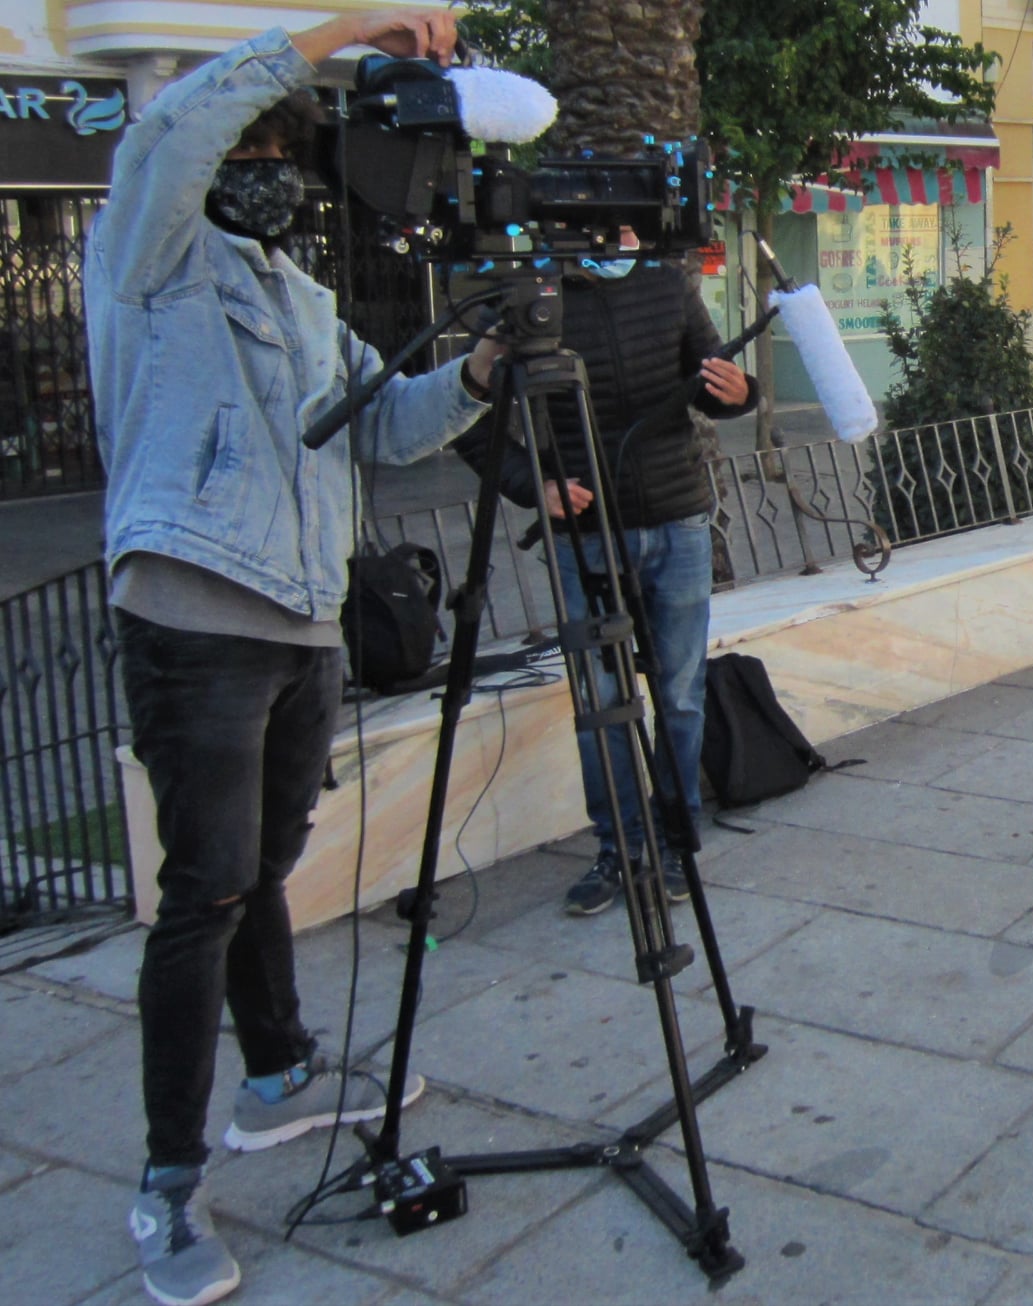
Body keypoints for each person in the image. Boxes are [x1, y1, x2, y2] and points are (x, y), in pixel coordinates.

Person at [84, 11, 504, 1304]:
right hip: (197, 614)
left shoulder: (304, 298)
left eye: (283, 152)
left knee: (262, 865)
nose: (265, 166)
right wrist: (344, 34)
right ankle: (167, 1185)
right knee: (204, 886)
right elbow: (175, 121)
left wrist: (485, 369)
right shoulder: (150, 257)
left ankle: (273, 1074)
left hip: (300, 624)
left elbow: (390, 428)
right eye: (251, 150)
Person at [454, 230, 755, 917]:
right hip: (582, 537)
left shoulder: (666, 283)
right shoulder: (529, 296)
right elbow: (467, 419)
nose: (622, 235)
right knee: (601, 704)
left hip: (677, 522)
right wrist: (537, 486)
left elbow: (712, 388)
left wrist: (740, 392)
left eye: (630, 221)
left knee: (680, 696)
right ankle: (618, 849)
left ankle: (677, 841)